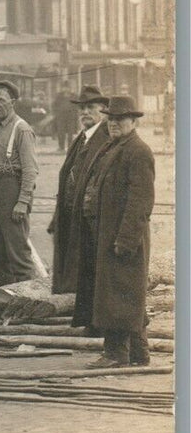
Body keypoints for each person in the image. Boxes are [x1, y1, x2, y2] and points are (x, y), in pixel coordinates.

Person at [79, 95, 155, 368]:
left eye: (120, 119)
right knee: (126, 293)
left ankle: (115, 353)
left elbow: (141, 201)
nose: (113, 123)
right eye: (110, 119)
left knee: (118, 294)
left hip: (125, 237)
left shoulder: (138, 150)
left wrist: (125, 240)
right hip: (110, 234)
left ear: (133, 121)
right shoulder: (115, 146)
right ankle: (138, 352)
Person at [47, 85, 111, 328]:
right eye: (82, 108)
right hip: (73, 215)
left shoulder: (104, 137)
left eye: (90, 108)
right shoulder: (81, 138)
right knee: (81, 271)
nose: (85, 113)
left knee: (92, 270)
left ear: (103, 111)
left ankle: (96, 323)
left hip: (90, 217)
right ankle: (87, 321)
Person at [0, 80, 40, 286]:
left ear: (12, 102)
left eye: (2, 100)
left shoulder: (21, 129)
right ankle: (7, 294)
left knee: (18, 252)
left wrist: (23, 201)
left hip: (12, 190)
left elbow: (30, 170)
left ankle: (29, 296)